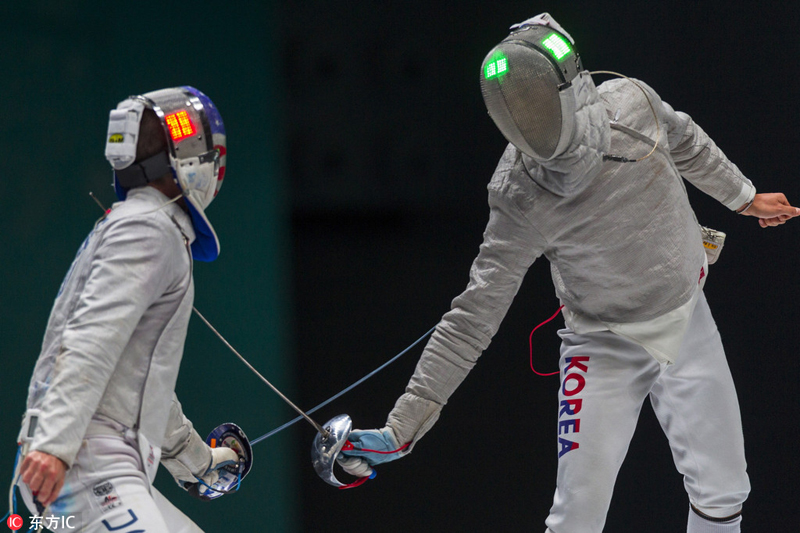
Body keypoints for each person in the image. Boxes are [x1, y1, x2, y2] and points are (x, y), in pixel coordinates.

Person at [337, 13, 800, 533]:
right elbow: (470, 320)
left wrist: (742, 197)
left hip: (687, 314)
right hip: (601, 345)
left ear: (571, 87)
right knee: (575, 519)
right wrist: (403, 426)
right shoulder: (519, 195)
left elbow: (684, 138)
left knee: (724, 489)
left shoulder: (633, 102)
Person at [14, 87, 239, 532]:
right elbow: (91, 338)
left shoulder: (147, 226)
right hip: (86, 463)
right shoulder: (147, 229)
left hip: (103, 461)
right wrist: (56, 446)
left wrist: (200, 461)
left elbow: (141, 384)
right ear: (193, 158)